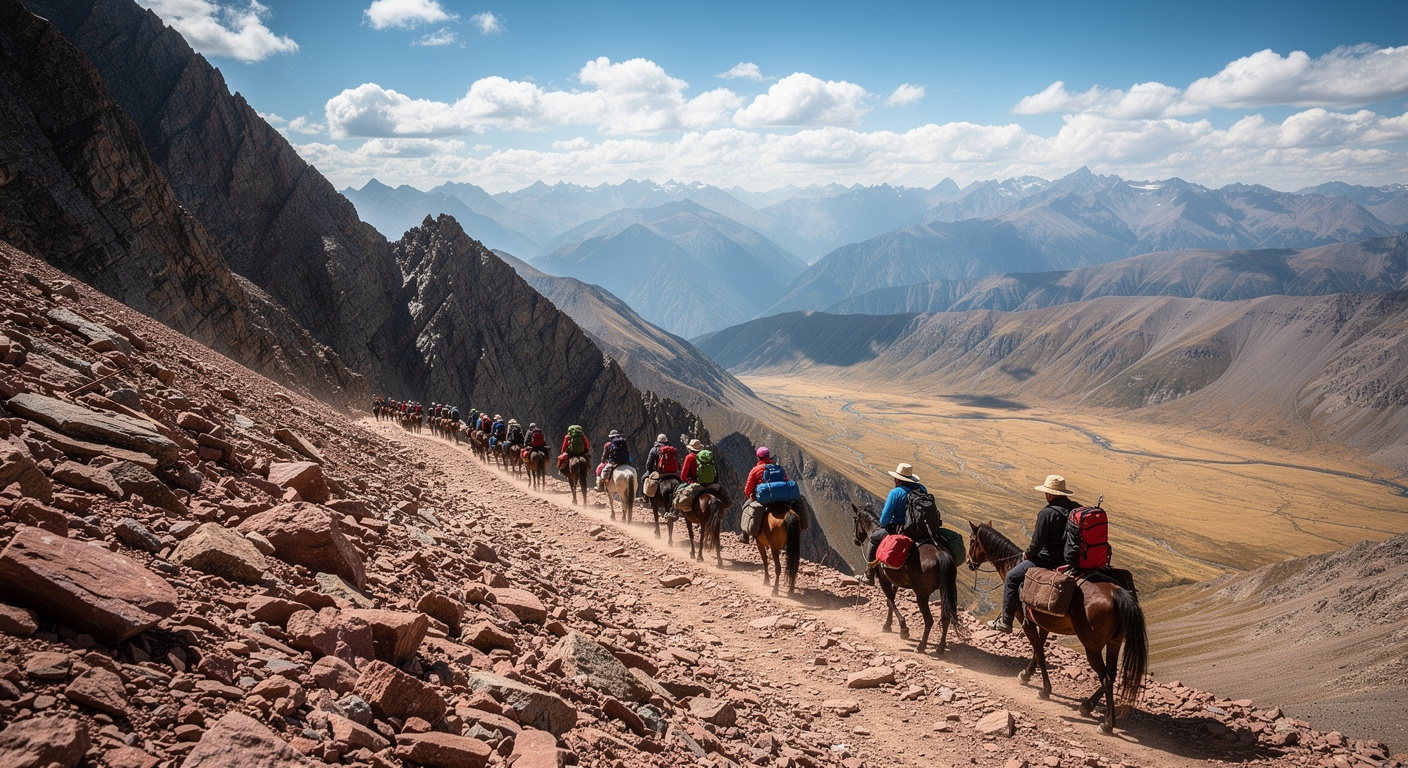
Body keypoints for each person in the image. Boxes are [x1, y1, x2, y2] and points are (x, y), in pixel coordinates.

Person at [988, 474, 1081, 633]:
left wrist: (1027, 555)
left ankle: (1006, 621)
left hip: (1049, 560)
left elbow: (1037, 544)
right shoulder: (1076, 508)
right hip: (1073, 559)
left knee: (1011, 577)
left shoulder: (1047, 513)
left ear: (1050, 494)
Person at [863, 464, 928, 581]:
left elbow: (884, 520)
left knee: (873, 539)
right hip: (922, 529)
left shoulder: (896, 492)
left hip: (902, 530)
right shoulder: (922, 489)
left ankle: (869, 575)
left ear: (897, 479)